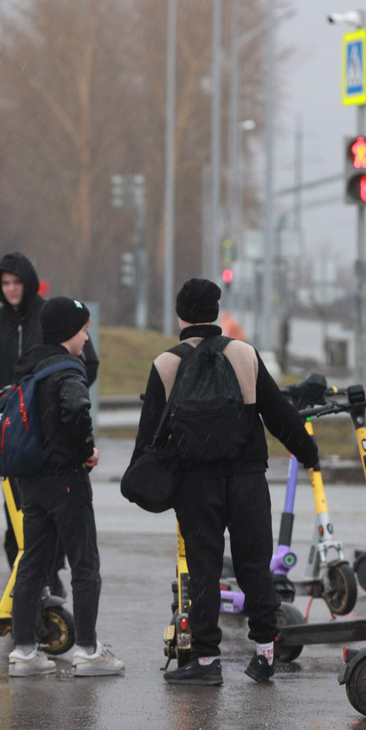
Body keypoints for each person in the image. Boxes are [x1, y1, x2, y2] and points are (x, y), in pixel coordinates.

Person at [131, 278, 318, 686]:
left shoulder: (166, 364)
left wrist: (138, 479)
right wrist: (308, 453)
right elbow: (279, 413)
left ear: (181, 315)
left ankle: (205, 662)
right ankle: (265, 654)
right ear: (216, 313)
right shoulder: (244, 355)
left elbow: (149, 437)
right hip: (247, 478)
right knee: (255, 567)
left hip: (196, 486)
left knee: (204, 570)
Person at [7, 297, 123, 677]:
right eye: (83, 330)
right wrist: (86, 449)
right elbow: (76, 410)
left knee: (32, 565)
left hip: (32, 481)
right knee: (84, 564)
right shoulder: (68, 369)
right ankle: (88, 651)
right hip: (66, 480)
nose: (87, 338)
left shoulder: (32, 366)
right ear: (67, 334)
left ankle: (24, 652)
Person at [0, 252, 99, 589]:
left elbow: (87, 361)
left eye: (17, 282)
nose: (11, 289)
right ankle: (25, 577)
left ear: (29, 284)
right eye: (5, 283)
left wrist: (61, 394)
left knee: (54, 508)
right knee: (15, 508)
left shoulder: (52, 317)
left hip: (48, 428)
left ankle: (49, 575)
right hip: (11, 430)